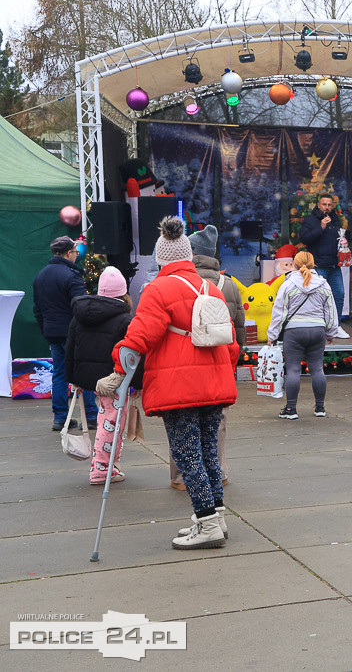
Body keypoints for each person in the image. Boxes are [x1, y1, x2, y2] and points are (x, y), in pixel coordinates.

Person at [109, 217, 238, 550]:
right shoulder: (212, 288)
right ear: (188, 255)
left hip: (179, 385)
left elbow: (140, 336)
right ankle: (216, 519)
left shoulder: (158, 290)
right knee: (209, 452)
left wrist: (117, 370)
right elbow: (230, 342)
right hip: (213, 382)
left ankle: (207, 523)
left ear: (160, 257)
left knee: (187, 455)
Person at [167, 225, 245, 490]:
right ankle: (219, 472)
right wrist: (232, 364)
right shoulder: (229, 285)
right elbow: (239, 328)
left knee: (181, 421)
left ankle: (181, 478)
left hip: (184, 364)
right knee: (217, 422)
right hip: (220, 363)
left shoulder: (178, 283)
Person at [66, 266, 143, 484]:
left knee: (107, 420)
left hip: (88, 376)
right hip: (113, 379)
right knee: (111, 421)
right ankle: (101, 468)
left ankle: (108, 465)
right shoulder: (125, 320)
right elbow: (133, 355)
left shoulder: (79, 315)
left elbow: (70, 349)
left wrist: (74, 379)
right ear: (123, 293)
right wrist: (137, 382)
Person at [267, 251, 341, 420]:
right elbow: (330, 311)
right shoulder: (323, 284)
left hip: (294, 333)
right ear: (313, 264)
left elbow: (279, 313)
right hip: (317, 331)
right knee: (317, 368)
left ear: (294, 264)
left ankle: (291, 409)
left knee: (293, 369)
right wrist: (330, 333)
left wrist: (272, 335)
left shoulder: (288, 285)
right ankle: (320, 408)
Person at [33, 235, 98, 431]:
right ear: (69, 253)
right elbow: (81, 306)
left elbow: (37, 309)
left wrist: (46, 329)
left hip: (53, 332)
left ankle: (60, 417)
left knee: (59, 373)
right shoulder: (71, 275)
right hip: (74, 332)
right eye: (75, 252)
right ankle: (91, 416)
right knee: (84, 371)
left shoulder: (41, 275)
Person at [299, 194, 350, 339]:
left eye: (329, 205)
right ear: (318, 205)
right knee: (318, 297)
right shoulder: (310, 219)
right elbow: (304, 238)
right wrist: (321, 227)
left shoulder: (336, 219)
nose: (327, 207)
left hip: (334, 265)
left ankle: (337, 326)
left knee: (339, 295)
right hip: (318, 265)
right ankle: (319, 327)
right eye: (324, 204)